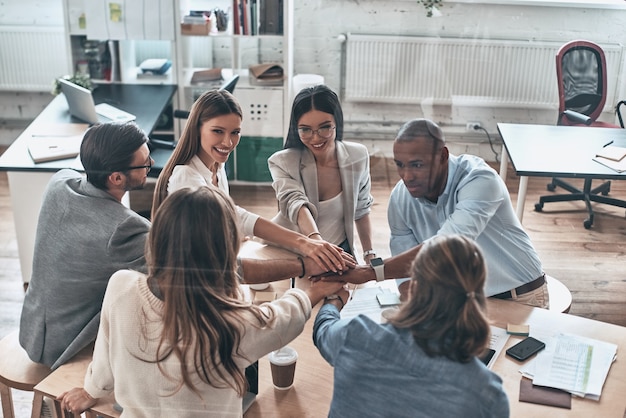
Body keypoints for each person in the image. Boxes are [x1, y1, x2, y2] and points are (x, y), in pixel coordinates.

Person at [59, 186, 346, 416]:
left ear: (158, 237)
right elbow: (282, 318)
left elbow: (105, 357)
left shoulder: (121, 285)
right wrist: (314, 293)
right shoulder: (233, 321)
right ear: (227, 250)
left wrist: (92, 390)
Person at [323, 118, 548, 309]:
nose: (407, 175)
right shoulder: (400, 197)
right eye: (400, 165)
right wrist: (409, 297)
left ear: (443, 156)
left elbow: (447, 247)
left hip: (519, 298)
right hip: (461, 303)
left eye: (417, 165)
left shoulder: (481, 180)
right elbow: (407, 275)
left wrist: (369, 272)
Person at [152, 89, 348, 274]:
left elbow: (231, 215)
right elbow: (237, 216)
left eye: (235, 132)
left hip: (219, 261)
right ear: (197, 129)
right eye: (218, 131)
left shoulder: (216, 167)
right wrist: (304, 242)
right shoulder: (186, 176)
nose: (228, 143)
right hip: (196, 274)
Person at [313, 234, 510, 418]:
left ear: (413, 289)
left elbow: (323, 329)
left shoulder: (354, 335)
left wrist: (334, 301)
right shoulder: (488, 394)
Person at [19, 122, 153, 370]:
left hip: (31, 327)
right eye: (145, 164)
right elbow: (180, 263)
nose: (151, 165)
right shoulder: (124, 228)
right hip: (67, 344)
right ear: (116, 177)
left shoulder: (59, 182)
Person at [268, 84, 375, 260]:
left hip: (340, 250)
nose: (316, 137)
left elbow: (362, 209)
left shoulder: (358, 155)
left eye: (325, 127)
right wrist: (316, 243)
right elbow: (296, 204)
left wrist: (369, 254)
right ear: (296, 129)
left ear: (336, 123)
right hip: (294, 251)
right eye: (305, 130)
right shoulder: (283, 162)